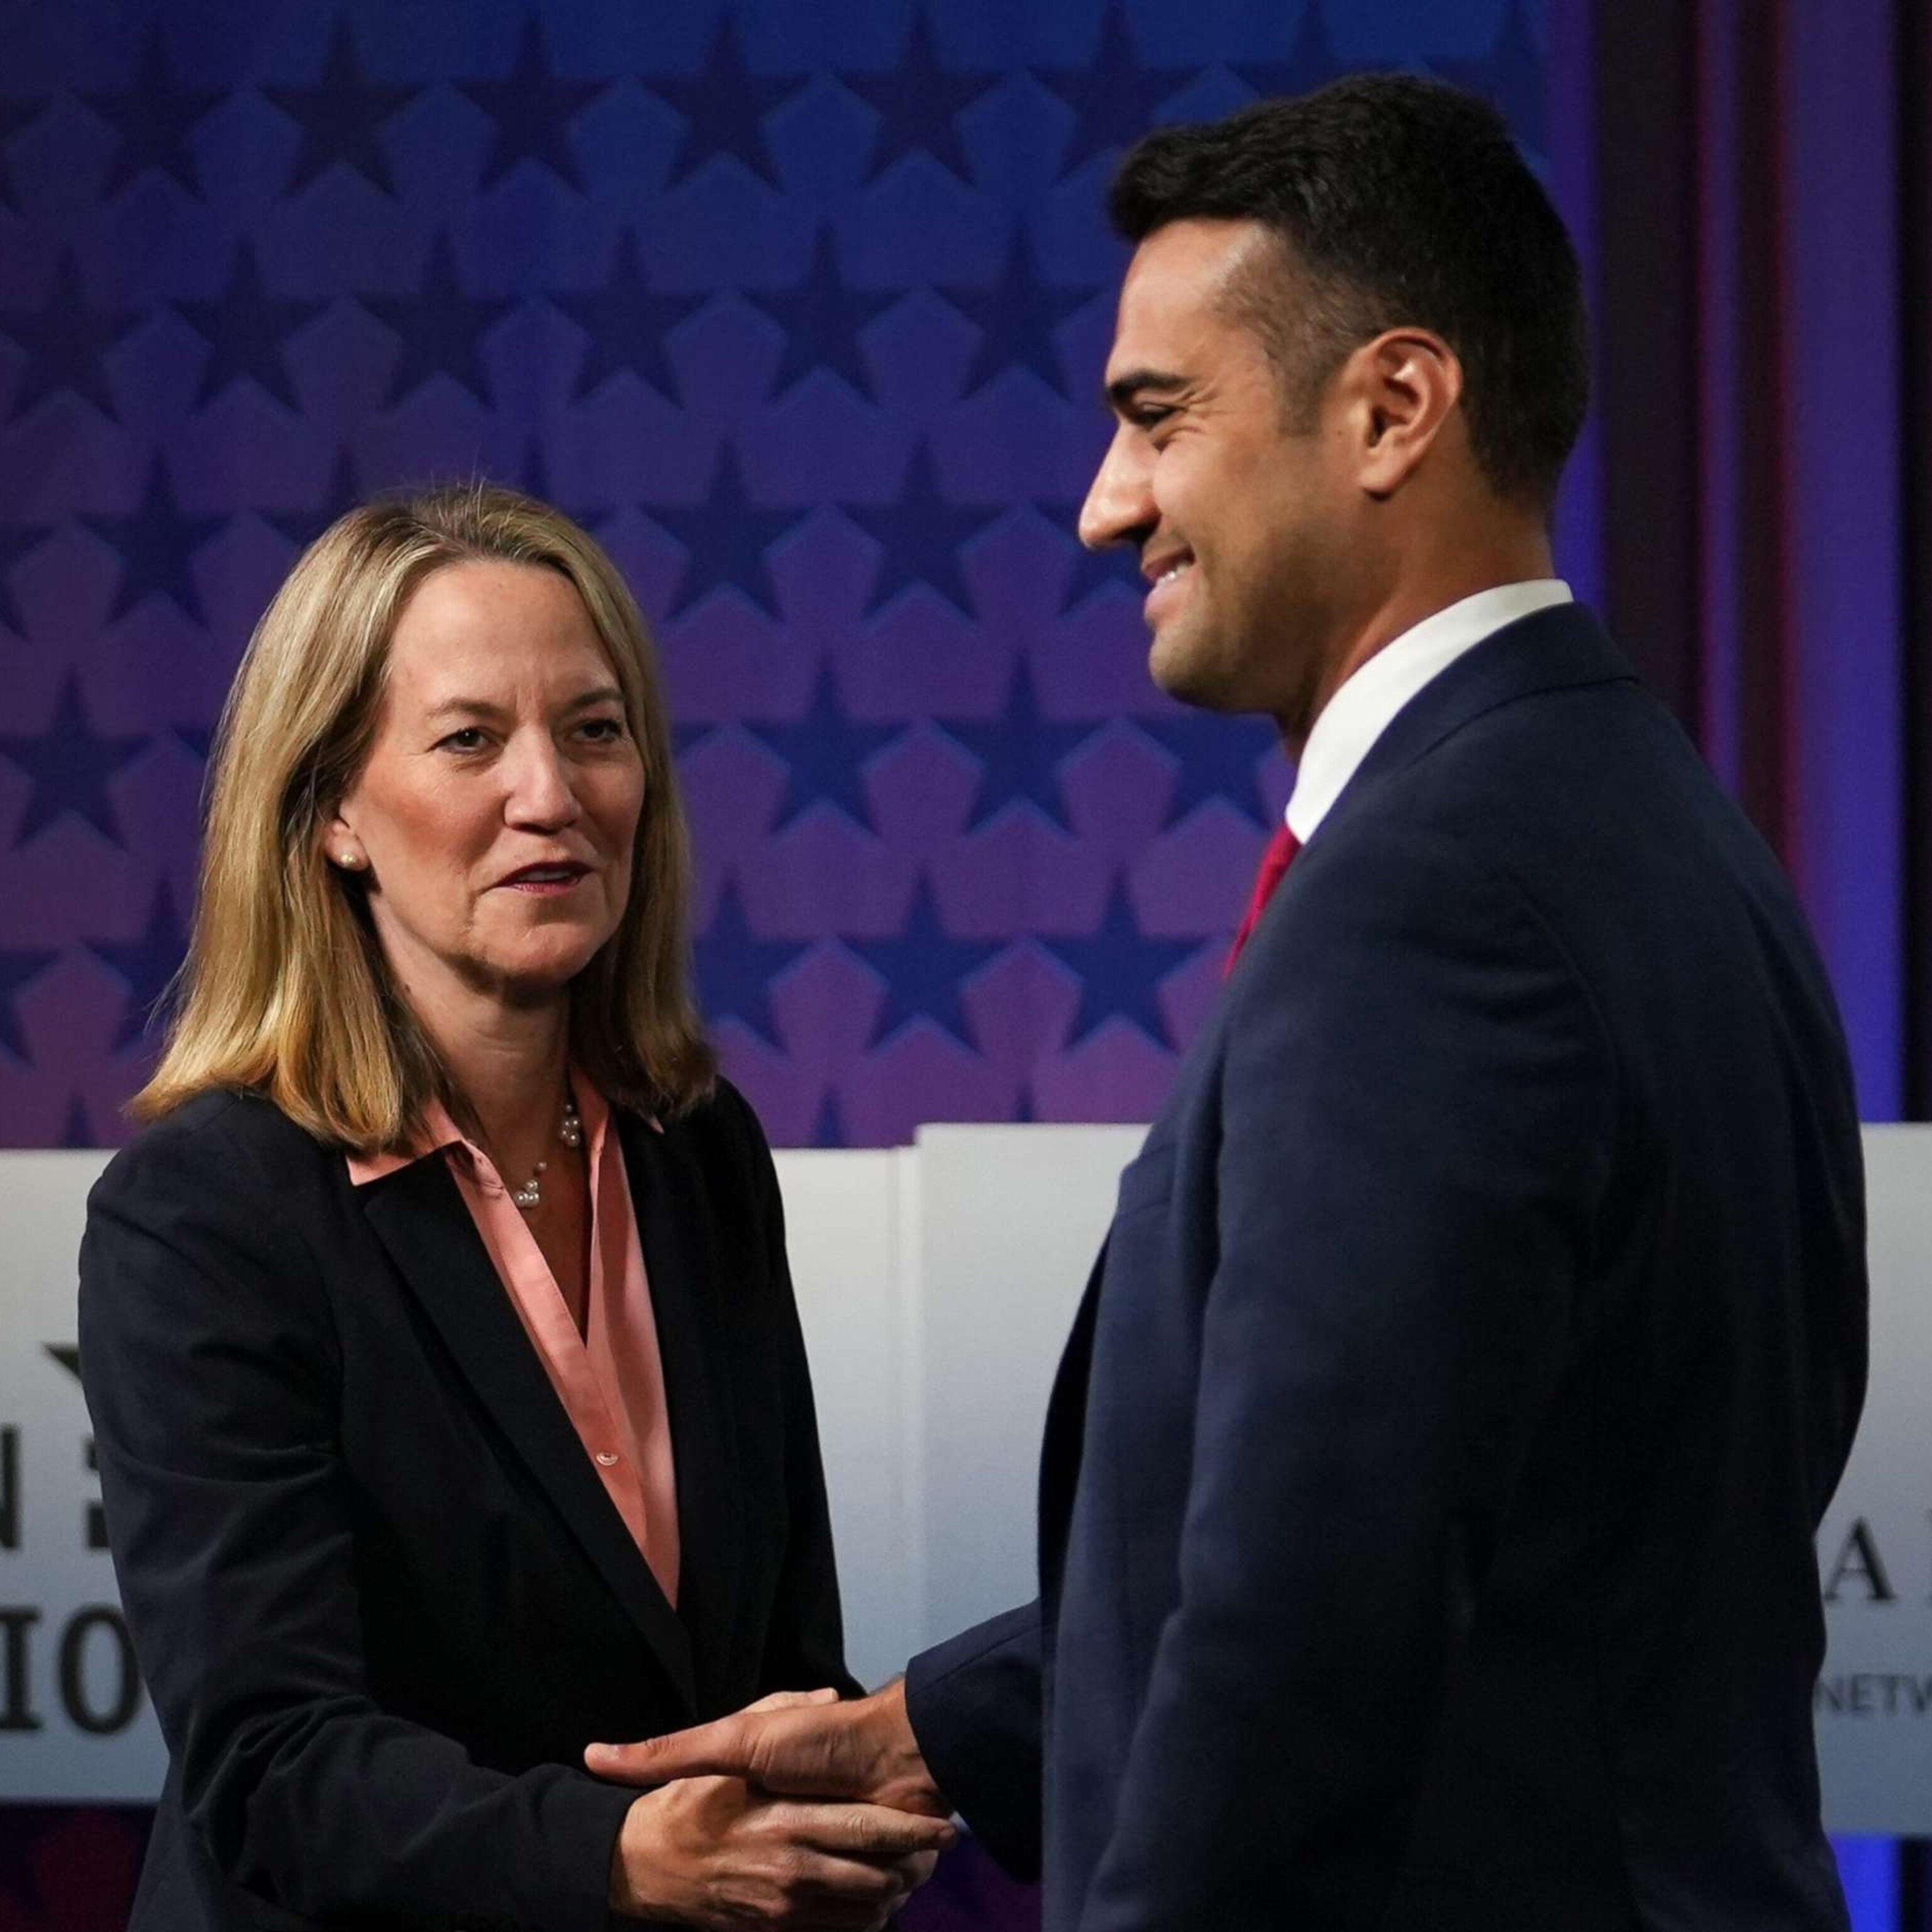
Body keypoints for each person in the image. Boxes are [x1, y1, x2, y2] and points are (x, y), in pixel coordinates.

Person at [586, 75, 1870, 1932]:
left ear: (1392, 407)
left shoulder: (1438, 902)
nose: (1110, 508)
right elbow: (1504, 1528)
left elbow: (1310, 1626)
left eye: (1155, 418)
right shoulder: (1651, 827)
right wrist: (928, 1731)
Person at [77, 484, 954, 1932]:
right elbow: (271, 1763)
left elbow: (771, 1655)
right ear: (333, 814)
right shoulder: (203, 1216)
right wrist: (617, 1860)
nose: (550, 794)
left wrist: (847, 1794)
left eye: (595, 731)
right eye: (470, 739)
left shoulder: (700, 1148)